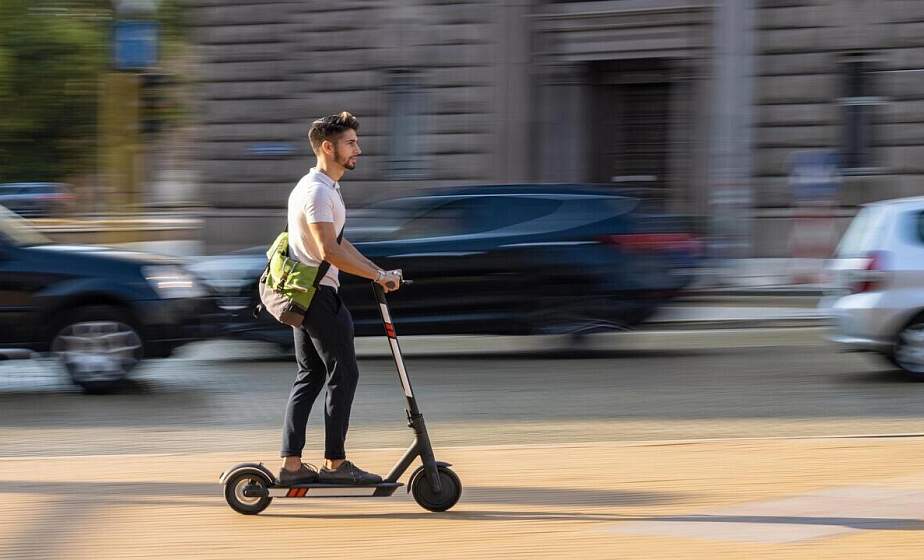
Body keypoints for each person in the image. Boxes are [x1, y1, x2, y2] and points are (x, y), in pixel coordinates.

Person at [278, 111, 402, 486]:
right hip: (318, 297)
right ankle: (335, 465)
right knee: (343, 373)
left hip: (308, 294)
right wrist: (377, 275)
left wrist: (376, 271)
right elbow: (328, 250)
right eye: (351, 143)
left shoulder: (321, 187)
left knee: (311, 374)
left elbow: (340, 242)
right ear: (328, 147)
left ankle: (292, 465)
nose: (358, 150)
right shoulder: (316, 192)